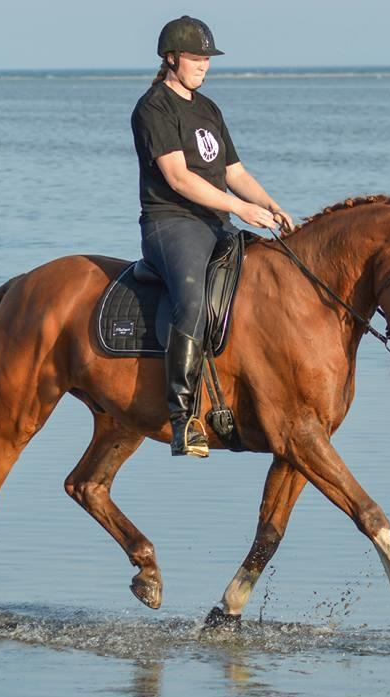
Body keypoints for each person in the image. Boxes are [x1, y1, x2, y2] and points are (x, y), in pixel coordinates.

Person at [131, 16, 293, 458]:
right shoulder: (153, 109)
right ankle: (184, 420)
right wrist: (240, 208)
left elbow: (234, 173)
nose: (204, 66)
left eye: (207, 59)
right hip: (171, 222)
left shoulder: (208, 109)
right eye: (197, 58)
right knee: (193, 299)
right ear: (171, 59)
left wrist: (271, 204)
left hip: (216, 221)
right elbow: (179, 179)